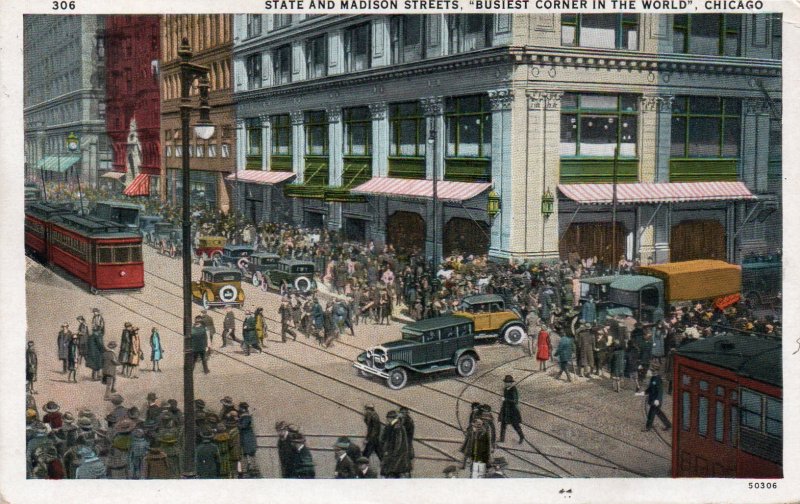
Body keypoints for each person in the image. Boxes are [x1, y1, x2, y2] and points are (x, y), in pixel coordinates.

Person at [380, 410, 411, 478]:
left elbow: (398, 441)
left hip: (397, 454)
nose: (387, 420)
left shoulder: (397, 426)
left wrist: (394, 453)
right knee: (395, 471)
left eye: (388, 418)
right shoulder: (394, 425)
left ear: (391, 418)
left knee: (393, 470)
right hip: (396, 453)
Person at [499, 375, 525, 444]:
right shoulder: (505, 389)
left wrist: (505, 399)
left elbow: (515, 401)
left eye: (507, 382)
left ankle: (521, 437)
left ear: (511, 383)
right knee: (503, 425)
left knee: (515, 425)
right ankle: (502, 439)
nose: (505, 383)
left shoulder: (514, 389)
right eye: (505, 382)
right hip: (505, 410)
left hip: (512, 411)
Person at [237, 403, 257, 473]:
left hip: (247, 437)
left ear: (242, 408)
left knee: (248, 452)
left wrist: (237, 422)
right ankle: (250, 467)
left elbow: (243, 426)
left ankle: (251, 467)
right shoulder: (247, 416)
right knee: (247, 452)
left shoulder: (246, 417)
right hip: (247, 436)